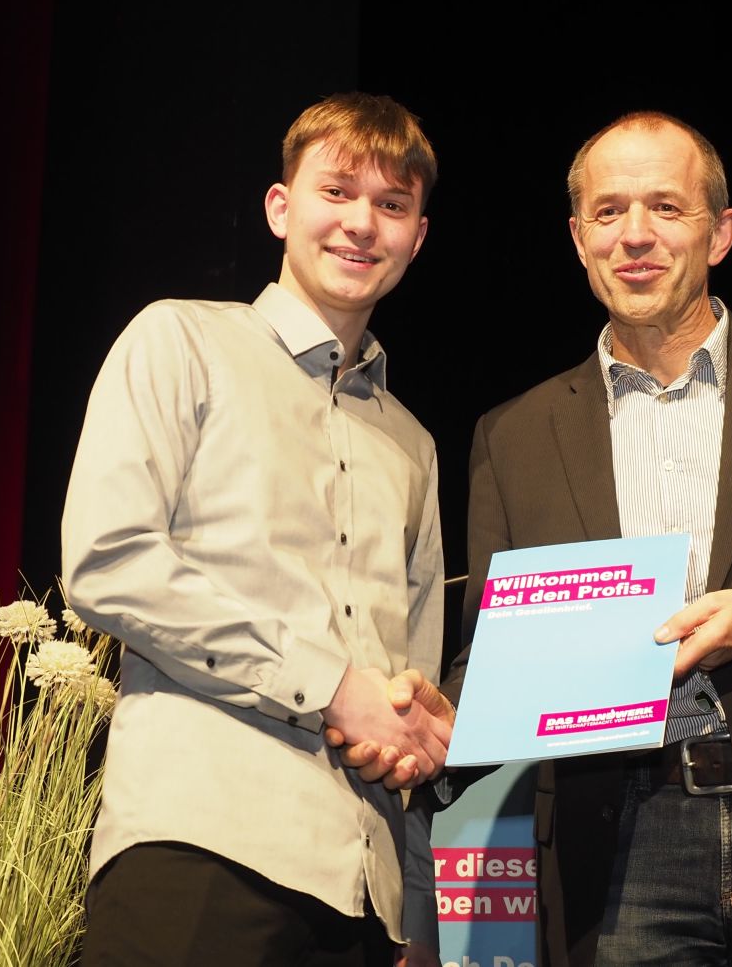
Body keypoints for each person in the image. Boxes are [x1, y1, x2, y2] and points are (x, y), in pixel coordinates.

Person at [345, 109, 732, 966]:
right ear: (578, 238)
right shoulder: (514, 434)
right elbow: (501, 651)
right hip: (617, 850)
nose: (635, 235)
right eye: (608, 212)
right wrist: (449, 716)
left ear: (721, 231)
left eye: (665, 208)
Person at [60, 91, 452, 966]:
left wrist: (418, 748)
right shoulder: (180, 342)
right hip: (201, 845)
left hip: (362, 894)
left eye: (391, 205)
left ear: (417, 236)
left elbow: (408, 679)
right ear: (280, 207)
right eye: (337, 191)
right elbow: (109, 562)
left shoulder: (414, 445)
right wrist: (330, 684)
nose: (362, 223)